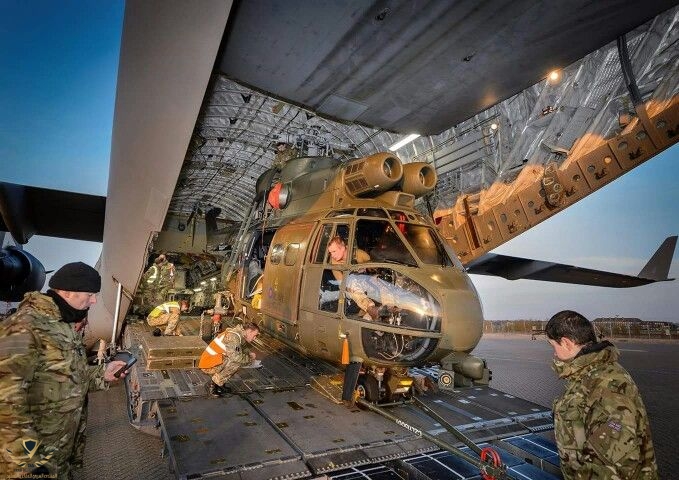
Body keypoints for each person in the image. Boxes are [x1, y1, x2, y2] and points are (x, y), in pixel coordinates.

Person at [0, 262, 128, 479]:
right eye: (90, 294)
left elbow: (68, 377)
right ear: (67, 292)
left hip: (58, 452)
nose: (94, 300)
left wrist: (102, 374)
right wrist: (30, 461)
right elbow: (5, 403)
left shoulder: (62, 324)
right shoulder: (25, 326)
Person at [545, 310, 658, 479]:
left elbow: (614, 468)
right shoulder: (590, 375)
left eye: (554, 346)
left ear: (567, 343)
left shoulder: (606, 386)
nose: (554, 353)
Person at [198, 322, 260, 397]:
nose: (255, 338)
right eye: (255, 335)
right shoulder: (233, 337)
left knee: (236, 358)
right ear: (249, 331)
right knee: (235, 362)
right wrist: (250, 359)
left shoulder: (238, 334)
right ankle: (212, 385)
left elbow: (241, 348)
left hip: (213, 360)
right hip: (208, 364)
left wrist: (249, 354)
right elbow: (235, 357)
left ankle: (220, 384)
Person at [327, 236, 379, 320]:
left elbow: (374, 267)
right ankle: (370, 309)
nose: (332, 255)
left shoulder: (359, 254)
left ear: (343, 247)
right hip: (348, 289)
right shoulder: (334, 263)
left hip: (365, 283)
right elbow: (343, 283)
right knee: (351, 281)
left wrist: (372, 271)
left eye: (334, 251)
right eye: (330, 252)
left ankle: (390, 308)